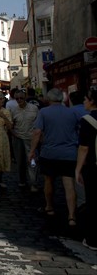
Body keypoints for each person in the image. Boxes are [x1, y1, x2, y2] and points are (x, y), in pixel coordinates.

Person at [30, 88, 78, 227]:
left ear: (49, 99)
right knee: (69, 185)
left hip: (50, 152)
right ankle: (71, 216)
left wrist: (32, 151)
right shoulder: (71, 112)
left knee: (49, 181)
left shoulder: (44, 112)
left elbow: (37, 132)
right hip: (69, 153)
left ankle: (49, 207)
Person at [75, 89, 97, 251]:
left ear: (92, 101)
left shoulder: (87, 120)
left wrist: (78, 169)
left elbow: (83, 148)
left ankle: (93, 239)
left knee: (93, 202)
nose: (84, 102)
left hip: (93, 166)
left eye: (86, 99)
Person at [11, 90, 40, 191]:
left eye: (21, 98)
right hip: (18, 138)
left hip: (31, 139)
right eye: (17, 99)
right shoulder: (14, 110)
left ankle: (33, 182)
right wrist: (13, 133)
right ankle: (22, 180)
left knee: (32, 161)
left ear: (25, 97)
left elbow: (39, 124)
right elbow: (11, 125)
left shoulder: (34, 109)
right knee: (20, 161)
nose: (19, 100)